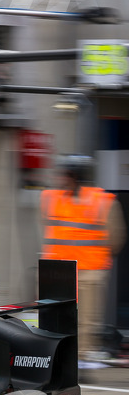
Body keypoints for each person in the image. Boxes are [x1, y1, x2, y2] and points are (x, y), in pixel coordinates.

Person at [40, 154, 126, 372]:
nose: (60, 178)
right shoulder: (101, 201)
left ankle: (80, 357)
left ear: (75, 176)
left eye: (65, 174)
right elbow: (116, 237)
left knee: (80, 319)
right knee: (81, 318)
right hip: (74, 269)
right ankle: (75, 357)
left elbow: (115, 236)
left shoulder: (96, 200)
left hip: (69, 269)